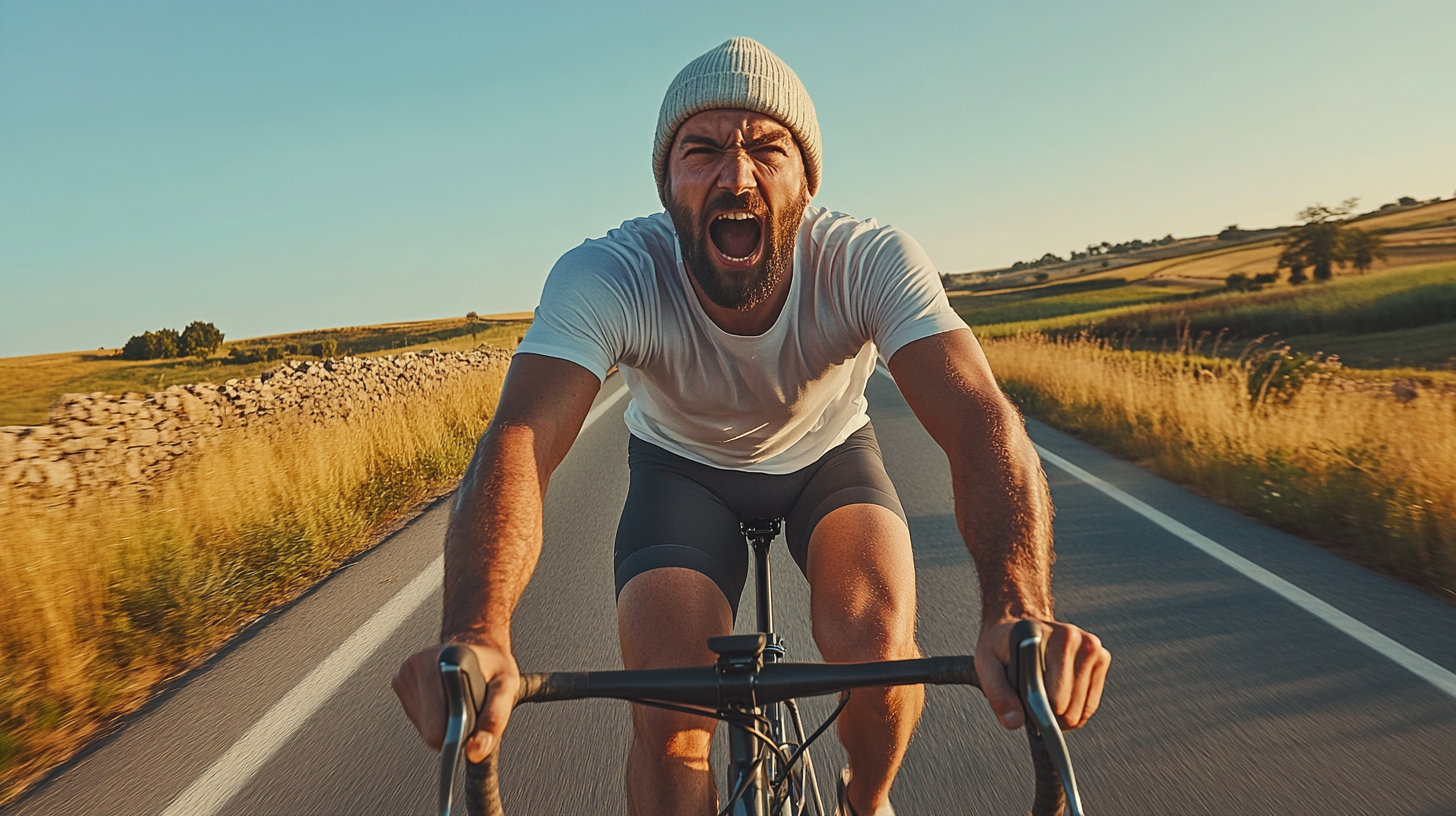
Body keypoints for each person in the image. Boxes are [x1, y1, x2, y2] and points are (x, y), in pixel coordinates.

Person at [393, 37, 1110, 816]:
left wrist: (1018, 606)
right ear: (667, 184)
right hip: (681, 472)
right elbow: (520, 441)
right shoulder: (611, 273)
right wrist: (477, 626)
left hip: (828, 460)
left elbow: (978, 420)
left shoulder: (868, 259)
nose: (737, 176)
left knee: (876, 654)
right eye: (700, 152)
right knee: (670, 722)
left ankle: (865, 799)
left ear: (808, 182)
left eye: (768, 149)